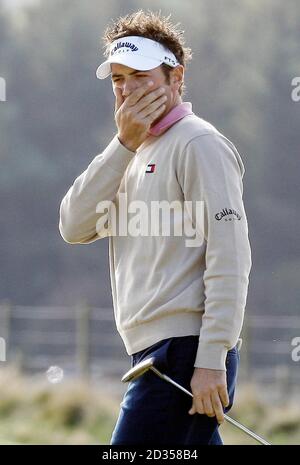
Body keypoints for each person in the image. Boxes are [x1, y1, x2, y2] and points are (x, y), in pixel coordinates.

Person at [59, 10, 252, 445]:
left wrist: (211, 360)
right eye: (118, 79)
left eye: (140, 76)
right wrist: (124, 143)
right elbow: (72, 224)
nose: (127, 90)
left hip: (184, 355)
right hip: (154, 354)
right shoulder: (129, 152)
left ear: (175, 77)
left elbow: (231, 257)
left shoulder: (199, 143)